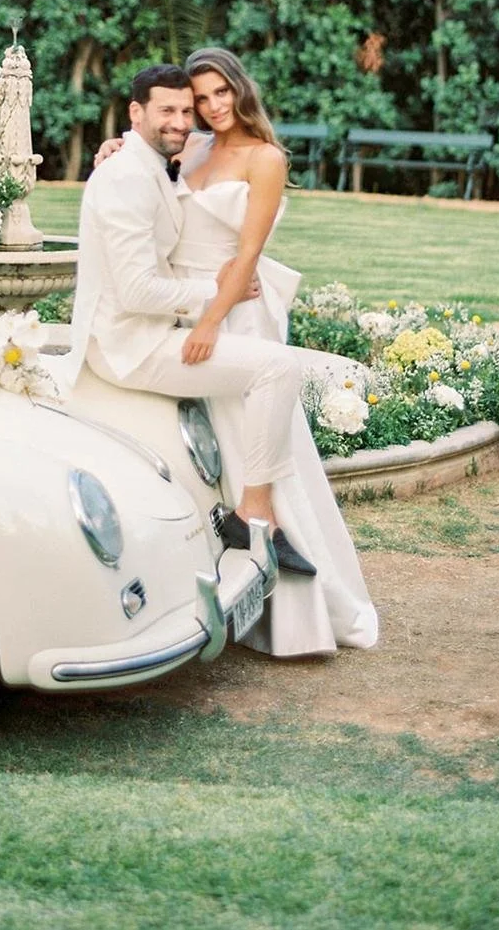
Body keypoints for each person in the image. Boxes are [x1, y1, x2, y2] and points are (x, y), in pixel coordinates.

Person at [91, 48, 378, 656]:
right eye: (201, 99)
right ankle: (241, 583)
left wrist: (211, 320)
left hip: (233, 306)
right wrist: (117, 148)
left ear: (240, 91)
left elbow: (247, 255)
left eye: (222, 93)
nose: (212, 107)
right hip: (185, 303)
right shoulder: (190, 149)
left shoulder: (266, 158)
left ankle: (284, 567)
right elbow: (148, 158)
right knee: (217, 447)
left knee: (259, 433)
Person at [64, 63, 318, 576]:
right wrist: (212, 297)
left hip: (205, 313)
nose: (190, 116)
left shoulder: (179, 154)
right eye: (182, 105)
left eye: (194, 105)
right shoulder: (135, 170)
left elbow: (238, 238)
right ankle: (254, 515)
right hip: (138, 337)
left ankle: (253, 515)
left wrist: (128, 144)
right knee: (279, 370)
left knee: (257, 401)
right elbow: (136, 290)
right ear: (136, 113)